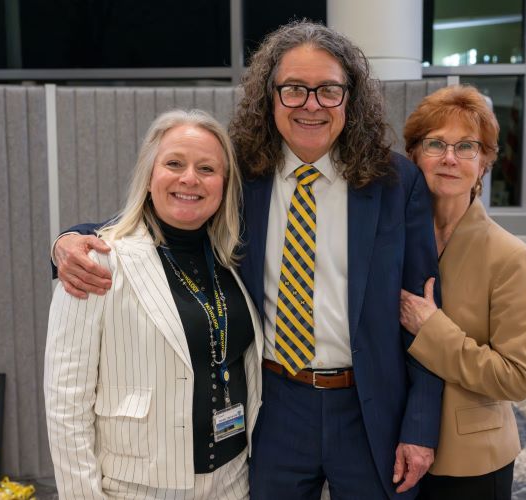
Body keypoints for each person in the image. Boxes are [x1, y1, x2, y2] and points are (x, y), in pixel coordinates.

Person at [52, 20, 443, 500]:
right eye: (294, 90)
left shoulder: (394, 182)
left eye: (328, 90)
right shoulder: (242, 171)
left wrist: (421, 425)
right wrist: (71, 240)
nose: (311, 105)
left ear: (351, 97)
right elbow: (163, 212)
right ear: (270, 95)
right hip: (275, 407)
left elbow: (426, 314)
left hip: (369, 408)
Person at [44, 109, 263, 500]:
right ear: (149, 176)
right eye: (174, 163)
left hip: (233, 483)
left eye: (207, 168)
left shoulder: (234, 262)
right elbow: (66, 403)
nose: (189, 178)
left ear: (224, 184)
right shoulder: (96, 261)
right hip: (136, 488)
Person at [399, 84, 526, 500]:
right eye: (436, 143)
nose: (449, 158)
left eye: (466, 147)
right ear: (413, 155)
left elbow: (518, 378)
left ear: (484, 163)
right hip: (392, 447)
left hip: (472, 462)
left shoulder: (510, 257)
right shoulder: (392, 244)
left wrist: (432, 329)